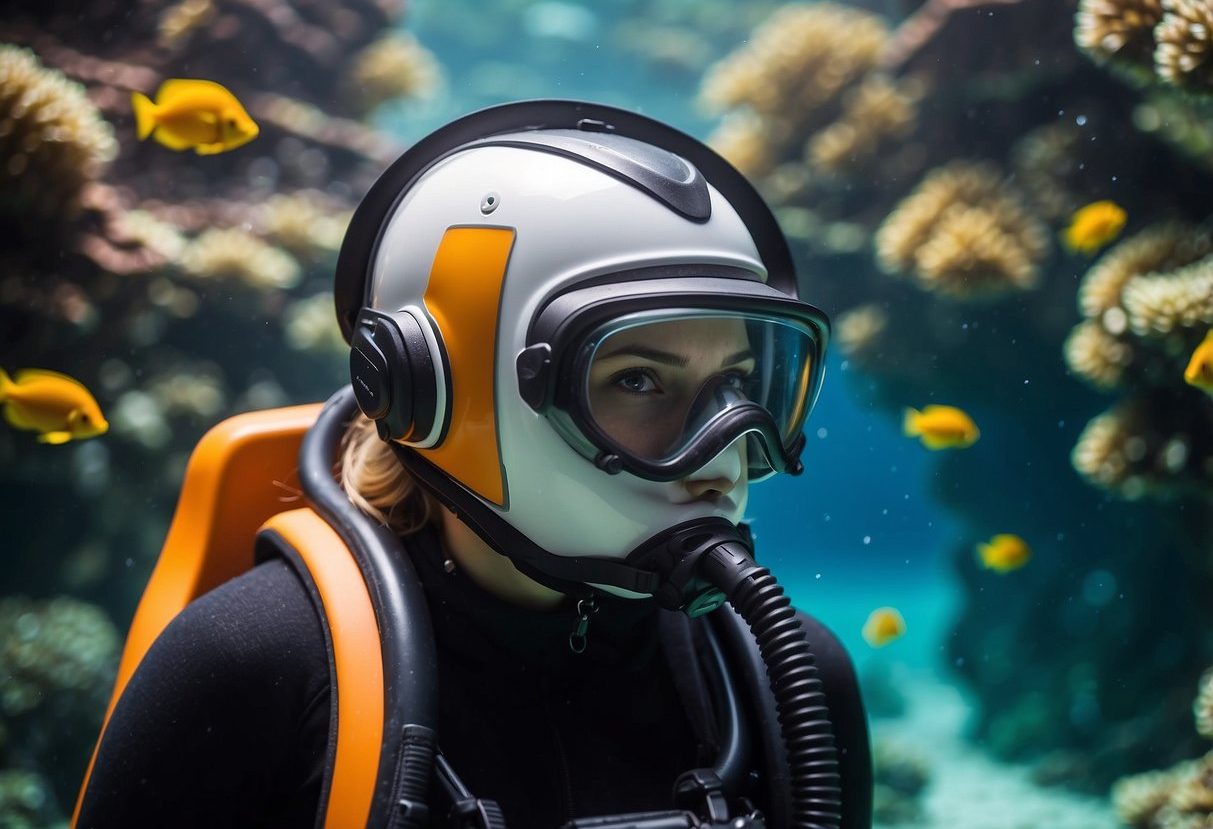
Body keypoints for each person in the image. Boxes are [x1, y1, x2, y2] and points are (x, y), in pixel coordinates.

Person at [75, 100, 872, 828]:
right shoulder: (244, 669)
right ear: (424, 390)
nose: (725, 449)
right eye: (636, 379)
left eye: (739, 385)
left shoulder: (789, 686)